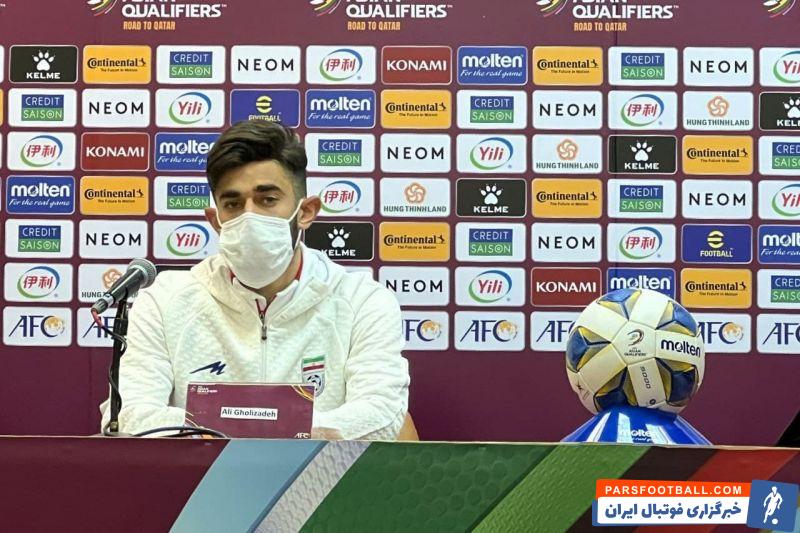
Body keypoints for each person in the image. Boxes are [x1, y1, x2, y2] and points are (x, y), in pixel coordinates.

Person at [100, 120, 410, 440]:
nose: (249, 216)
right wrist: (273, 424)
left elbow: (382, 417)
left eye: (267, 200)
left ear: (306, 212)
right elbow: (128, 414)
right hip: (203, 474)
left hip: (320, 473)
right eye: (233, 204)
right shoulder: (165, 301)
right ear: (215, 220)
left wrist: (233, 424)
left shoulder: (362, 301)